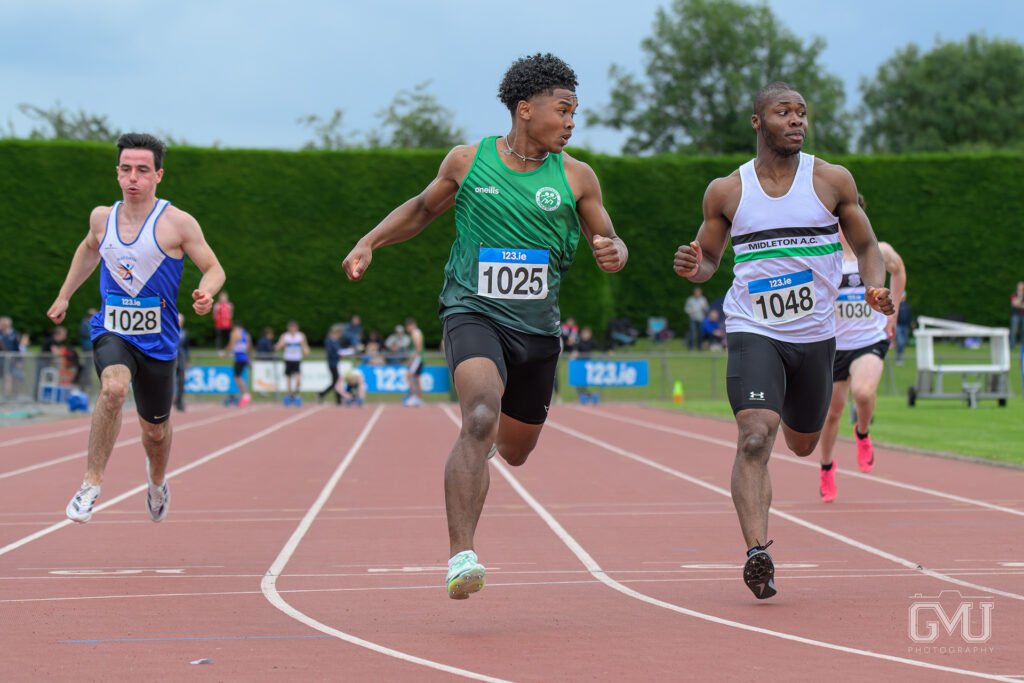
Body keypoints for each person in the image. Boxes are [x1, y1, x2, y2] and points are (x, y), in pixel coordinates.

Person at [342, 54, 628, 600]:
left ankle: (487, 444)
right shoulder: (468, 161)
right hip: (472, 310)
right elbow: (423, 210)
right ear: (526, 109)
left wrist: (615, 251)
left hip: (537, 331)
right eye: (562, 110)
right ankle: (462, 556)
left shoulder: (576, 177)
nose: (571, 122)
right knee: (478, 416)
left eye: (575, 112)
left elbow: (610, 240)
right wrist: (368, 241)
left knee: (515, 449)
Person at [673, 82, 893, 600]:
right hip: (754, 328)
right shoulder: (727, 191)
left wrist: (875, 283)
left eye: (801, 113)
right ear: (758, 122)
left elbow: (865, 245)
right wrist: (694, 266)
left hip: (817, 336)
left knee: (801, 442)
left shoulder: (831, 180)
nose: (796, 121)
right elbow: (707, 260)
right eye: (783, 112)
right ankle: (757, 552)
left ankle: (811, 444)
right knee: (754, 435)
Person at [47, 132, 225, 524]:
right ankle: (91, 483)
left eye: (142, 170)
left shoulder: (177, 223)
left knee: (155, 433)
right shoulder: (101, 218)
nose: (133, 178)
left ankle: (157, 483)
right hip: (113, 330)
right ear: (117, 173)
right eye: (126, 169)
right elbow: (89, 249)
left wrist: (206, 293)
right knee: (112, 388)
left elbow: (214, 268)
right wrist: (64, 296)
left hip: (158, 343)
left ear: (158, 175)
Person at [818, 196, 906, 502]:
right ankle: (827, 467)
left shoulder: (878, 252)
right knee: (831, 414)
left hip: (869, 340)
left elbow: (899, 269)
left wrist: (891, 314)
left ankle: (863, 432)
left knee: (864, 393)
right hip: (832, 346)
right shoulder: (825, 256)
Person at [275, 320, 309, 405]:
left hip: (297, 360)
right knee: (289, 378)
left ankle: (295, 394)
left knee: (298, 381)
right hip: (288, 359)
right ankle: (289, 395)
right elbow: (277, 347)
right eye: (291, 327)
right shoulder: (285, 336)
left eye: (294, 327)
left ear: (297, 328)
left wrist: (305, 350)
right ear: (288, 328)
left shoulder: (300, 336)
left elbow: (306, 349)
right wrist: (281, 345)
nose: (292, 329)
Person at [226, 321, 253, 407]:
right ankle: (244, 394)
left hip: (239, 358)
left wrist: (225, 353)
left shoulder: (235, 333)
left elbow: (231, 345)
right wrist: (249, 358)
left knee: (237, 377)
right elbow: (249, 347)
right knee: (238, 376)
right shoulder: (246, 334)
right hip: (244, 357)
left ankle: (245, 394)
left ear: (235, 326)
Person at [318, 323, 345, 405]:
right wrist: (338, 354)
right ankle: (334, 397)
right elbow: (330, 352)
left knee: (335, 381)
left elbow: (339, 350)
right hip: (331, 363)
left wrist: (340, 355)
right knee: (336, 381)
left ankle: (337, 398)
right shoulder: (329, 341)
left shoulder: (336, 341)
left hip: (335, 362)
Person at [403, 317, 425, 407]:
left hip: (417, 359)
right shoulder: (417, 332)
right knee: (416, 378)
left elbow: (418, 348)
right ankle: (418, 398)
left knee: (409, 376)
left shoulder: (415, 333)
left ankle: (413, 397)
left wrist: (411, 360)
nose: (407, 329)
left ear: (410, 325)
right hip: (419, 358)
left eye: (407, 327)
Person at [0, 316, 22, 400]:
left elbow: (17, 348)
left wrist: (19, 360)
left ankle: (7, 395)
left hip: (11, 359)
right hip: (1, 358)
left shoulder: (13, 333)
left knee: (8, 376)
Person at [174, 312, 189, 412]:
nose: (180, 323)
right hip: (171, 357)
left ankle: (179, 402)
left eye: (181, 321)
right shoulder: (169, 330)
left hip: (181, 357)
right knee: (169, 380)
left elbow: (186, 348)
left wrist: (188, 360)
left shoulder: (184, 332)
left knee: (182, 380)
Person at [894, 291, 912, 365]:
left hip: (905, 327)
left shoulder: (907, 306)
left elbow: (909, 316)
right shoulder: (896, 306)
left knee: (903, 342)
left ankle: (900, 356)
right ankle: (898, 356)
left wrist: (911, 324)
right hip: (898, 326)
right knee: (900, 342)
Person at [1010, 281, 1024, 349]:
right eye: (1020, 286)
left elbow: (1018, 304)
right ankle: (1012, 346)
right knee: (1013, 331)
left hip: (1023, 315)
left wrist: (1018, 304)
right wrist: (1020, 297)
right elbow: (1014, 304)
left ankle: (1022, 346)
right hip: (1015, 315)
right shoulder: (1014, 294)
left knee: (1023, 331)